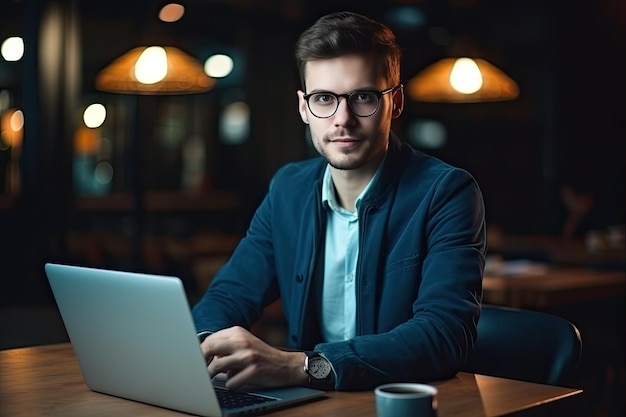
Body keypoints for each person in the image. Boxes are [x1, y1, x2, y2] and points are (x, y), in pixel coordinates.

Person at [192, 11, 486, 392]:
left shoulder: (446, 192)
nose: (342, 119)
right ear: (304, 107)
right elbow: (230, 294)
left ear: (395, 102)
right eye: (324, 99)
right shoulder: (289, 189)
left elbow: (445, 335)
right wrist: (205, 346)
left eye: (362, 97)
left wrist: (303, 366)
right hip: (311, 405)